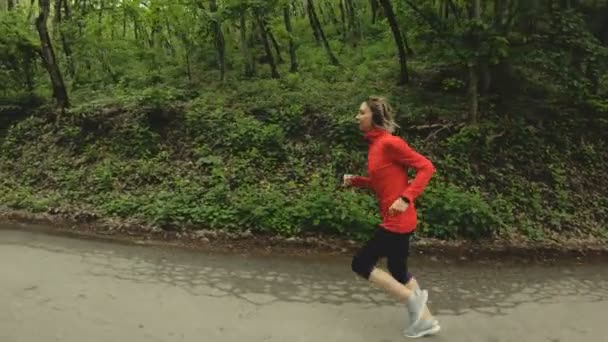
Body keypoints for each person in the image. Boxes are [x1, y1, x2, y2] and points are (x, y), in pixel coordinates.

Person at [343, 96, 440, 338]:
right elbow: (381, 184)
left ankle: (414, 301)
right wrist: (356, 181)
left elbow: (427, 167)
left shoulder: (390, 143)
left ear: (374, 116)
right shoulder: (376, 147)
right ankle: (425, 321)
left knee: (361, 264)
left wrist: (406, 198)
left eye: (361, 112)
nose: (357, 116)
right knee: (398, 270)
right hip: (399, 219)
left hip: (397, 220)